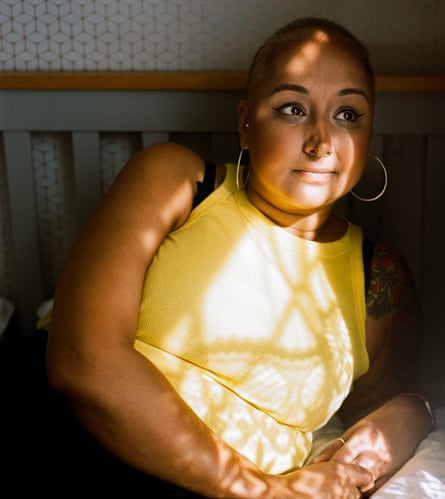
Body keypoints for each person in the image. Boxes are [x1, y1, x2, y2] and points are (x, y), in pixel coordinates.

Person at [43, 16, 434, 498]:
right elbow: (79, 358)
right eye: (293, 108)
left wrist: (414, 413)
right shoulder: (179, 183)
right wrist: (262, 489)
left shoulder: (381, 278)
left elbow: (378, 421)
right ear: (246, 123)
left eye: (348, 115)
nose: (321, 142)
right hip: (83, 452)